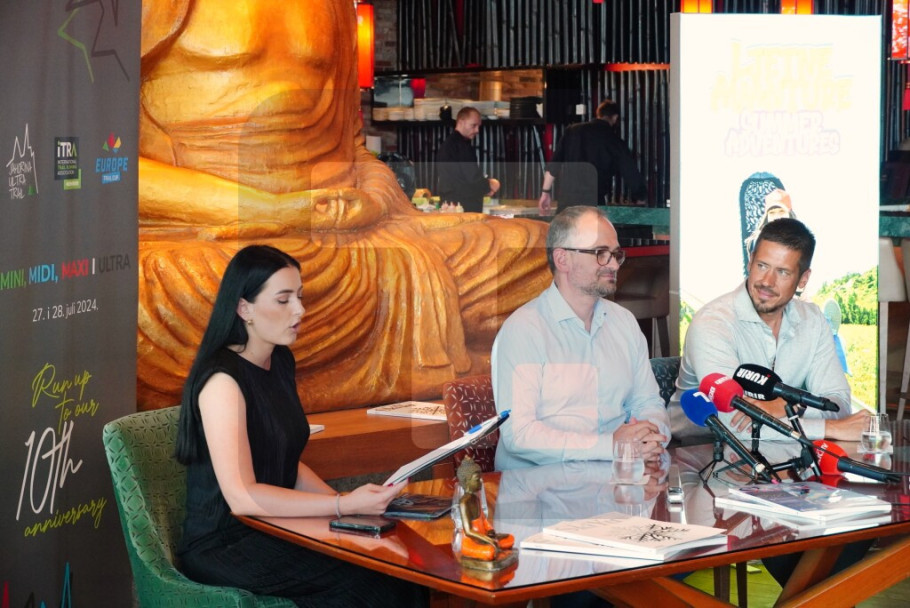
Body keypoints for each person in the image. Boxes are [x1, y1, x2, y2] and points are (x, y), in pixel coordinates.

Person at [136, 1, 550, 412]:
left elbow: (353, 150)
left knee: (535, 248)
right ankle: (475, 366)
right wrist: (271, 211)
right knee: (164, 291)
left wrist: (373, 197)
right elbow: (111, 162)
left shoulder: (336, 7)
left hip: (342, 232)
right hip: (221, 232)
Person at [173, 245, 427, 607]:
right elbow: (242, 497)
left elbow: (287, 464)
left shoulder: (279, 362)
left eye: (299, 297)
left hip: (273, 524)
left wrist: (353, 508)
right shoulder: (222, 381)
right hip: (227, 542)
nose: (299, 310)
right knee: (373, 583)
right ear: (244, 308)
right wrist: (340, 504)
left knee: (402, 568)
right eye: (283, 300)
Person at [492, 206, 670, 470]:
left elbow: (648, 402)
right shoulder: (523, 330)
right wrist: (611, 446)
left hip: (615, 479)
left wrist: (650, 435)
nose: (613, 264)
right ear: (562, 259)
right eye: (601, 254)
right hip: (540, 486)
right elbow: (520, 435)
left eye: (616, 254)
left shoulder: (624, 322)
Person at [671, 217, 869, 445]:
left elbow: (838, 403)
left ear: (803, 279)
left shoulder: (813, 320)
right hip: (695, 452)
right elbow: (734, 425)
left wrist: (787, 406)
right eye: (762, 266)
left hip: (779, 451)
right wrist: (831, 428)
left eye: (783, 272)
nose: (767, 281)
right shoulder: (712, 323)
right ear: (750, 263)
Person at [538, 100, 647, 214]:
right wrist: (640, 196)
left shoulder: (571, 131)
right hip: (593, 202)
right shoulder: (614, 140)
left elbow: (554, 165)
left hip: (566, 201)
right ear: (615, 117)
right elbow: (629, 171)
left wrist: (545, 192)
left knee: (565, 226)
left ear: (598, 113)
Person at [435, 106, 500, 213]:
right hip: (463, 207)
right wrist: (490, 185)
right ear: (461, 122)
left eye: (478, 126)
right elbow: (472, 178)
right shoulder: (461, 146)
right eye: (473, 125)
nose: (477, 130)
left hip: (450, 204)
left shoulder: (448, 144)